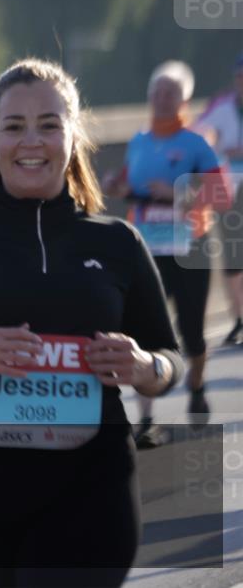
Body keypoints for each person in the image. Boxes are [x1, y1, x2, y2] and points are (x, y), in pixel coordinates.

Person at [0, 58, 186, 587]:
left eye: (49, 125)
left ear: (73, 137)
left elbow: (170, 360)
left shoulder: (117, 242)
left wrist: (145, 366)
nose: (31, 142)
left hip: (92, 491)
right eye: (14, 126)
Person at [103, 60, 231, 449]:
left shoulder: (196, 144)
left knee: (192, 333)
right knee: (143, 331)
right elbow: (126, 181)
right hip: (146, 249)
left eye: (170, 93)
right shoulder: (139, 141)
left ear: (185, 100)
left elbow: (222, 196)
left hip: (188, 247)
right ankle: (147, 419)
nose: (161, 99)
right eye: (156, 92)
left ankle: (197, 384)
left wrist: (177, 193)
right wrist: (114, 184)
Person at [193, 53, 243, 345]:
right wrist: (215, 144)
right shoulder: (221, 107)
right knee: (234, 256)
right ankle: (239, 318)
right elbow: (199, 134)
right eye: (239, 77)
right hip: (228, 189)